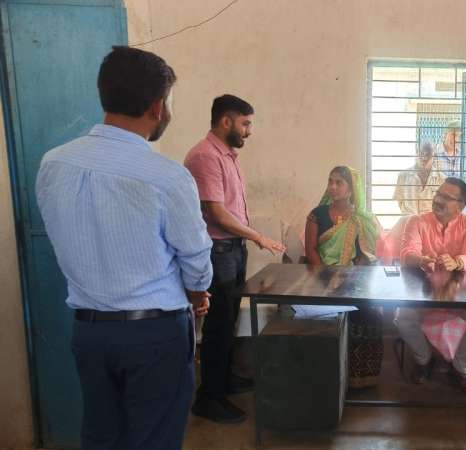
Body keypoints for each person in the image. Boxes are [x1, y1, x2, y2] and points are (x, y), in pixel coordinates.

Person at [36, 46, 212, 450]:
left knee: (102, 437)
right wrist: (198, 293)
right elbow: (195, 258)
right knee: (154, 439)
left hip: (89, 333)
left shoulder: (53, 164)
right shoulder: (167, 177)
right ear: (157, 106)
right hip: (155, 335)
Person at [184, 94, 285, 424]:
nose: (249, 131)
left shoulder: (227, 156)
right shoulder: (205, 156)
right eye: (245, 123)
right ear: (225, 121)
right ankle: (208, 398)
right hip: (218, 252)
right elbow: (217, 214)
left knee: (226, 324)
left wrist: (248, 239)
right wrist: (258, 237)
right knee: (218, 326)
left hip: (232, 251)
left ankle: (223, 383)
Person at [396, 177, 466, 393]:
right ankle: (423, 360)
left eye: (446, 197)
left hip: (460, 293)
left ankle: (461, 369)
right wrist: (421, 260)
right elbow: (406, 254)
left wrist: (457, 262)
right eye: (438, 194)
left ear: (460, 206)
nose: (438, 200)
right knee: (403, 318)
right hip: (425, 292)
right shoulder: (417, 221)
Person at [304, 166, 384, 388]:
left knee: (370, 314)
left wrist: (350, 277)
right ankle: (325, 378)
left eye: (339, 182)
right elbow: (311, 251)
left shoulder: (361, 218)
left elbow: (365, 254)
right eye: (330, 181)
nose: (333, 187)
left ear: (352, 189)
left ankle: (359, 378)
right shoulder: (316, 214)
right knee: (321, 318)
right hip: (320, 276)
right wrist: (328, 277)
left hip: (352, 278)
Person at [394, 142, 446, 215]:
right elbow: (400, 201)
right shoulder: (403, 176)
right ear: (416, 154)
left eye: (428, 155)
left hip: (430, 221)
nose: (424, 158)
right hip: (409, 220)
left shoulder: (442, 179)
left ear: (433, 157)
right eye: (421, 154)